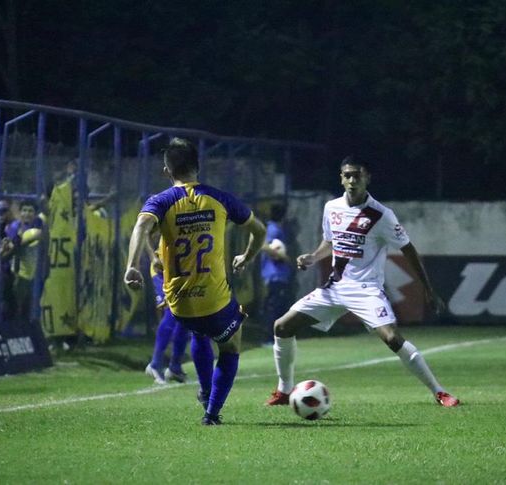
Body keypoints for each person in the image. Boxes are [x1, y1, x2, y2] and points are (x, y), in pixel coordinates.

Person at [265, 156, 460, 408]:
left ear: (368, 178)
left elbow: (408, 250)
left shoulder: (382, 215)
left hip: (366, 290)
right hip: (334, 289)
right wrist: (313, 257)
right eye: (347, 175)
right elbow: (331, 241)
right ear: (341, 178)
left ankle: (439, 391)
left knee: (392, 339)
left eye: (357, 175)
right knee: (282, 327)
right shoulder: (331, 207)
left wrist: (428, 289)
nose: (352, 180)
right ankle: (284, 390)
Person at [124, 137, 266, 425]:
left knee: (198, 333)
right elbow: (259, 230)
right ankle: (211, 413)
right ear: (198, 167)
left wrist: (131, 266)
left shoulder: (160, 202)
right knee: (230, 346)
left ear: (167, 172)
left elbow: (141, 226)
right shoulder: (220, 198)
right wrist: (248, 256)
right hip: (214, 299)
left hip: (180, 304)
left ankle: (202, 387)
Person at [144, 236, 205, 385]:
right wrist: (153, 257)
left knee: (186, 317)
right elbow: (144, 230)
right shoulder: (165, 211)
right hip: (162, 270)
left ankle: (175, 367)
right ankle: (155, 364)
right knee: (172, 313)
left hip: (183, 270)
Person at [5, 199, 45, 322]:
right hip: (19, 274)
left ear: (36, 213)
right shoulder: (13, 227)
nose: (27, 214)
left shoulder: (40, 224)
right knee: (18, 307)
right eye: (24, 210)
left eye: (30, 211)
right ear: (20, 212)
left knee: (35, 306)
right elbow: (13, 248)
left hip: (36, 273)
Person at [260, 203, 293, 345]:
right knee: (274, 307)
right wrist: (282, 256)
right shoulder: (273, 229)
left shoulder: (276, 228)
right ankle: (269, 338)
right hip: (275, 275)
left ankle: (278, 337)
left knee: (279, 307)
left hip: (279, 274)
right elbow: (264, 246)